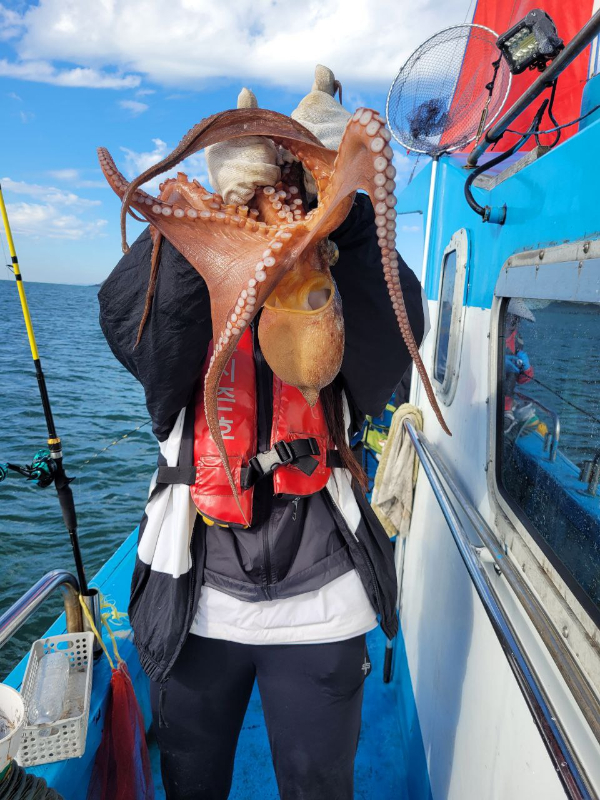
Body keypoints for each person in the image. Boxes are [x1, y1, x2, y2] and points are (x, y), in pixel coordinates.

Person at [98, 66, 427, 800]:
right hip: (194, 598)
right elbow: (132, 325)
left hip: (322, 604)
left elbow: (398, 327)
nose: (278, 232)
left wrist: (346, 206)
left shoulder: (338, 288)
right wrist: (224, 209)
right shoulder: (186, 292)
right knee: (191, 784)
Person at [504, 298, 535, 434]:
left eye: (517, 320)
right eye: (511, 318)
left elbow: (523, 380)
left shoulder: (517, 341)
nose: (514, 323)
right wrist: (500, 364)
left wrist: (526, 369)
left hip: (505, 406)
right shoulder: (485, 334)